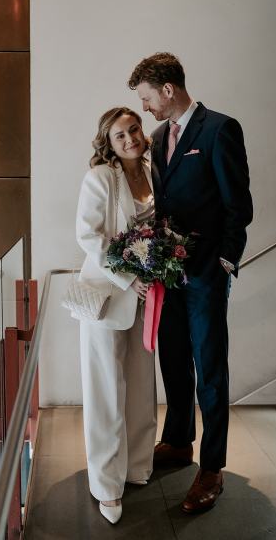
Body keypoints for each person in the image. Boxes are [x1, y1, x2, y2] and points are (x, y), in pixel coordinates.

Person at [128, 52, 253, 513]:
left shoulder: (220, 129)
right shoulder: (158, 138)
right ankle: (179, 440)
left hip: (204, 274)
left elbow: (239, 204)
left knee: (210, 368)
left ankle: (212, 467)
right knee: (174, 359)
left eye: (146, 99)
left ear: (167, 89)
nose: (144, 110)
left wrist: (224, 261)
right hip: (167, 275)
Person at [75, 106, 157, 524]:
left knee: (143, 383)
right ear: (107, 144)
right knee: (107, 391)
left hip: (149, 297)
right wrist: (129, 279)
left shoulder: (153, 171)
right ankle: (107, 485)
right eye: (119, 136)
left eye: (134, 129)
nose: (129, 139)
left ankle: (139, 466)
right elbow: (89, 237)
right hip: (109, 297)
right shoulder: (101, 179)